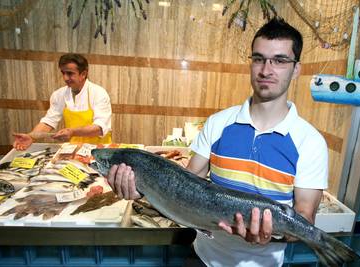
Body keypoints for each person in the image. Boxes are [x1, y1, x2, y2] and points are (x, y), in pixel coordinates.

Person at [107, 18, 328, 267]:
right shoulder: (218, 123)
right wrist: (143, 187)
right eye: (258, 59)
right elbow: (184, 189)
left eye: (279, 60)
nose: (266, 70)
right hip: (203, 257)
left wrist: (272, 234)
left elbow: (304, 218)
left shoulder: (310, 142)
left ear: (296, 69)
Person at [13, 53, 112, 150]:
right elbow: (49, 121)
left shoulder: (99, 93)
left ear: (83, 74)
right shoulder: (59, 94)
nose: (65, 78)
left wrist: (72, 131)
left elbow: (99, 128)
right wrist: (32, 136)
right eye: (63, 73)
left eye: (70, 73)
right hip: (74, 149)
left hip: (99, 149)